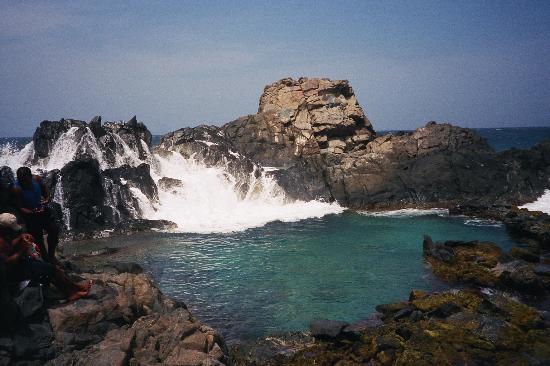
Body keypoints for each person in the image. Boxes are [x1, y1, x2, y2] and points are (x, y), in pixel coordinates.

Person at [0, 213, 90, 301]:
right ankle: (72, 292)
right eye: (11, 229)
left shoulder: (4, 236)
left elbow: (10, 246)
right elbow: (7, 262)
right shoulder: (1, 242)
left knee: (51, 267)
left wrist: (20, 237)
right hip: (13, 274)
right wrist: (21, 251)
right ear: (4, 228)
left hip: (18, 266)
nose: (13, 231)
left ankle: (75, 287)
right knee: (50, 269)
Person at [12, 167, 59, 263]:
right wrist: (33, 212)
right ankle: (46, 260)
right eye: (21, 180)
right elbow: (20, 207)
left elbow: (46, 193)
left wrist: (46, 200)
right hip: (31, 216)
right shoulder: (16, 189)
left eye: (25, 180)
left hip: (42, 211)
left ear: (30, 176)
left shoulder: (37, 179)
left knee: (54, 229)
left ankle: (51, 255)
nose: (23, 182)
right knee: (38, 240)